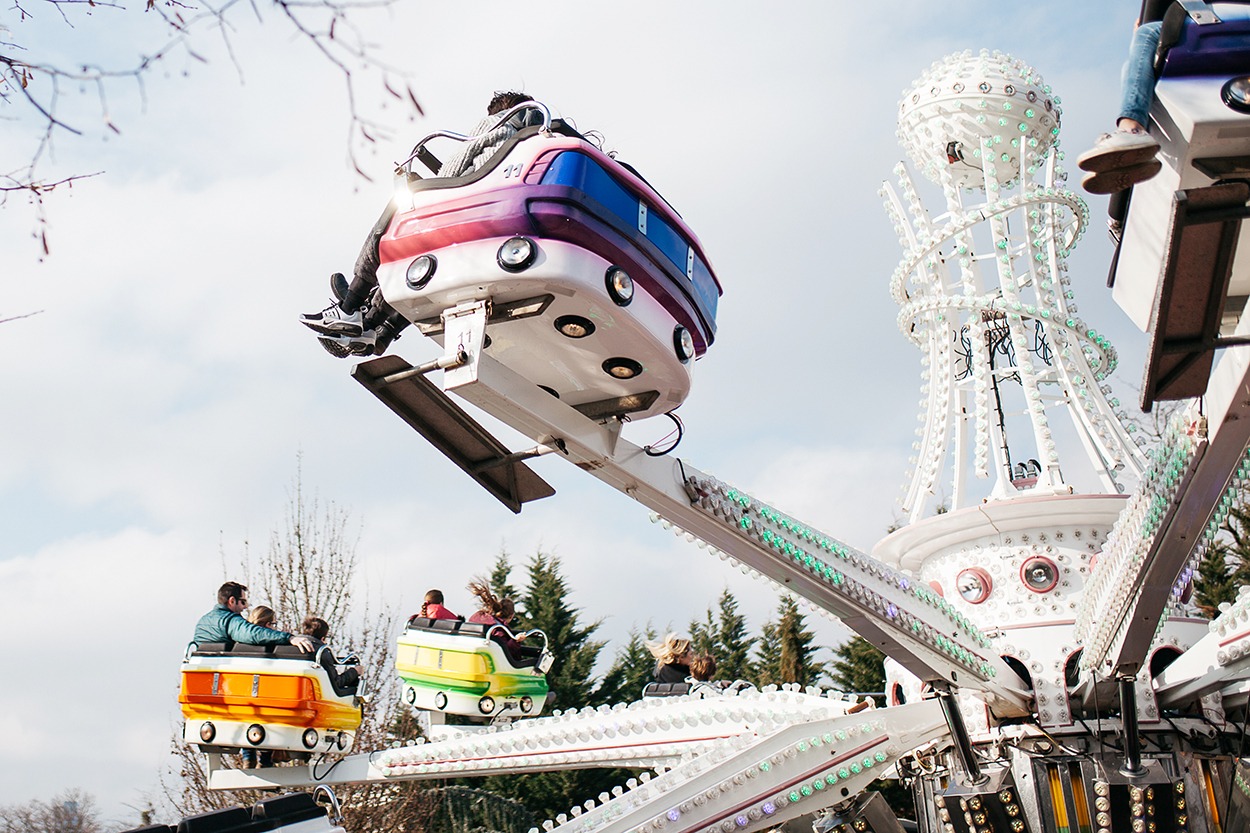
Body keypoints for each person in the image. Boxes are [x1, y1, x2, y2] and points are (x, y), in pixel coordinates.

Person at [300, 90, 539, 358]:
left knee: (405, 205)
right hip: (505, 226)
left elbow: (451, 171)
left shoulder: (498, 124)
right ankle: (378, 329)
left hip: (467, 210)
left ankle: (352, 304)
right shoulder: (537, 148)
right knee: (422, 267)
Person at [1078, 2, 1250, 194]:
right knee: (1132, 67)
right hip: (1230, 20)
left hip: (1235, 18)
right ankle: (1140, 148)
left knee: (1147, 34)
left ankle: (1132, 129)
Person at [193, 582, 314, 652]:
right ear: (232, 601)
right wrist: (289, 638)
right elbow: (253, 634)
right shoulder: (230, 621)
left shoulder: (203, 621)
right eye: (243, 602)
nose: (245, 607)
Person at [465, 578, 528, 661]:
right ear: (511, 616)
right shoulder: (498, 629)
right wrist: (516, 641)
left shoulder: (478, 617)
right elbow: (505, 652)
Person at [300, 616, 363, 696]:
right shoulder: (322, 652)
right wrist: (355, 672)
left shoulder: (288, 647)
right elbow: (337, 682)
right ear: (323, 638)